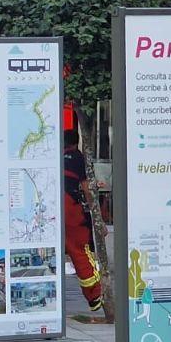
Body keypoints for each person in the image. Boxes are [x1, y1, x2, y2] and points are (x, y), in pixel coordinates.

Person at [61, 130, 104, 312]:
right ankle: (95, 297)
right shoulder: (79, 158)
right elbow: (87, 189)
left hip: (56, 207)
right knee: (81, 252)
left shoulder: (56, 158)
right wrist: (97, 217)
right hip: (72, 208)